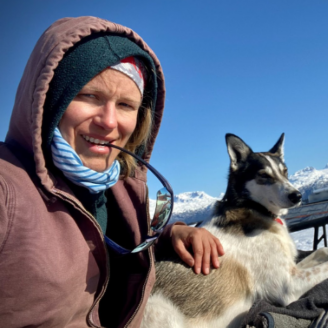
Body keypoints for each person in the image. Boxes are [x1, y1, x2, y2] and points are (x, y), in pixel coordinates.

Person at [0, 16, 224, 327]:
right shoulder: (7, 186)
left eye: (125, 105)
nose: (109, 122)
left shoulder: (118, 188)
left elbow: (114, 240)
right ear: (52, 99)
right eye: (90, 96)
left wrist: (174, 234)